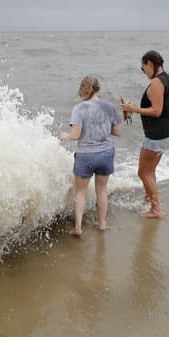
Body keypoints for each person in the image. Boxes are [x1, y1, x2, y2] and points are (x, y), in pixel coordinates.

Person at [59, 75, 123, 236]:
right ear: (98, 88)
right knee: (101, 190)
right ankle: (102, 223)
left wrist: (64, 135)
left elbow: (75, 135)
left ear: (82, 90)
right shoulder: (109, 107)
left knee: (81, 192)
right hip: (106, 153)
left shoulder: (79, 108)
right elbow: (117, 132)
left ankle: (78, 228)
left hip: (86, 155)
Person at [120, 50, 169, 218]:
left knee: (143, 173)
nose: (143, 71)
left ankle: (155, 208)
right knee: (150, 170)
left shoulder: (156, 83)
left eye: (143, 67)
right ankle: (148, 199)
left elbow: (156, 111)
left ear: (150, 64)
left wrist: (132, 109)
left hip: (157, 136)